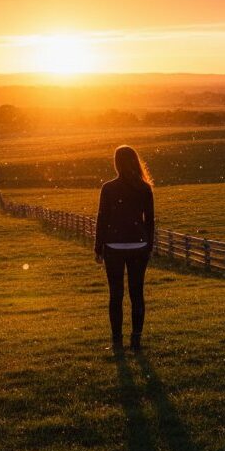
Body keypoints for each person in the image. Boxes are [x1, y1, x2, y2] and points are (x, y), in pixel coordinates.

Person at [94, 145, 154, 352]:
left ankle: (117, 340)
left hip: (114, 246)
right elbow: (150, 220)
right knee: (137, 293)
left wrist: (98, 248)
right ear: (135, 161)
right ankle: (136, 340)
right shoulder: (144, 188)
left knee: (116, 295)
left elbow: (102, 219)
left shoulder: (108, 188)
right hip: (139, 245)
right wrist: (149, 246)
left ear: (117, 163)